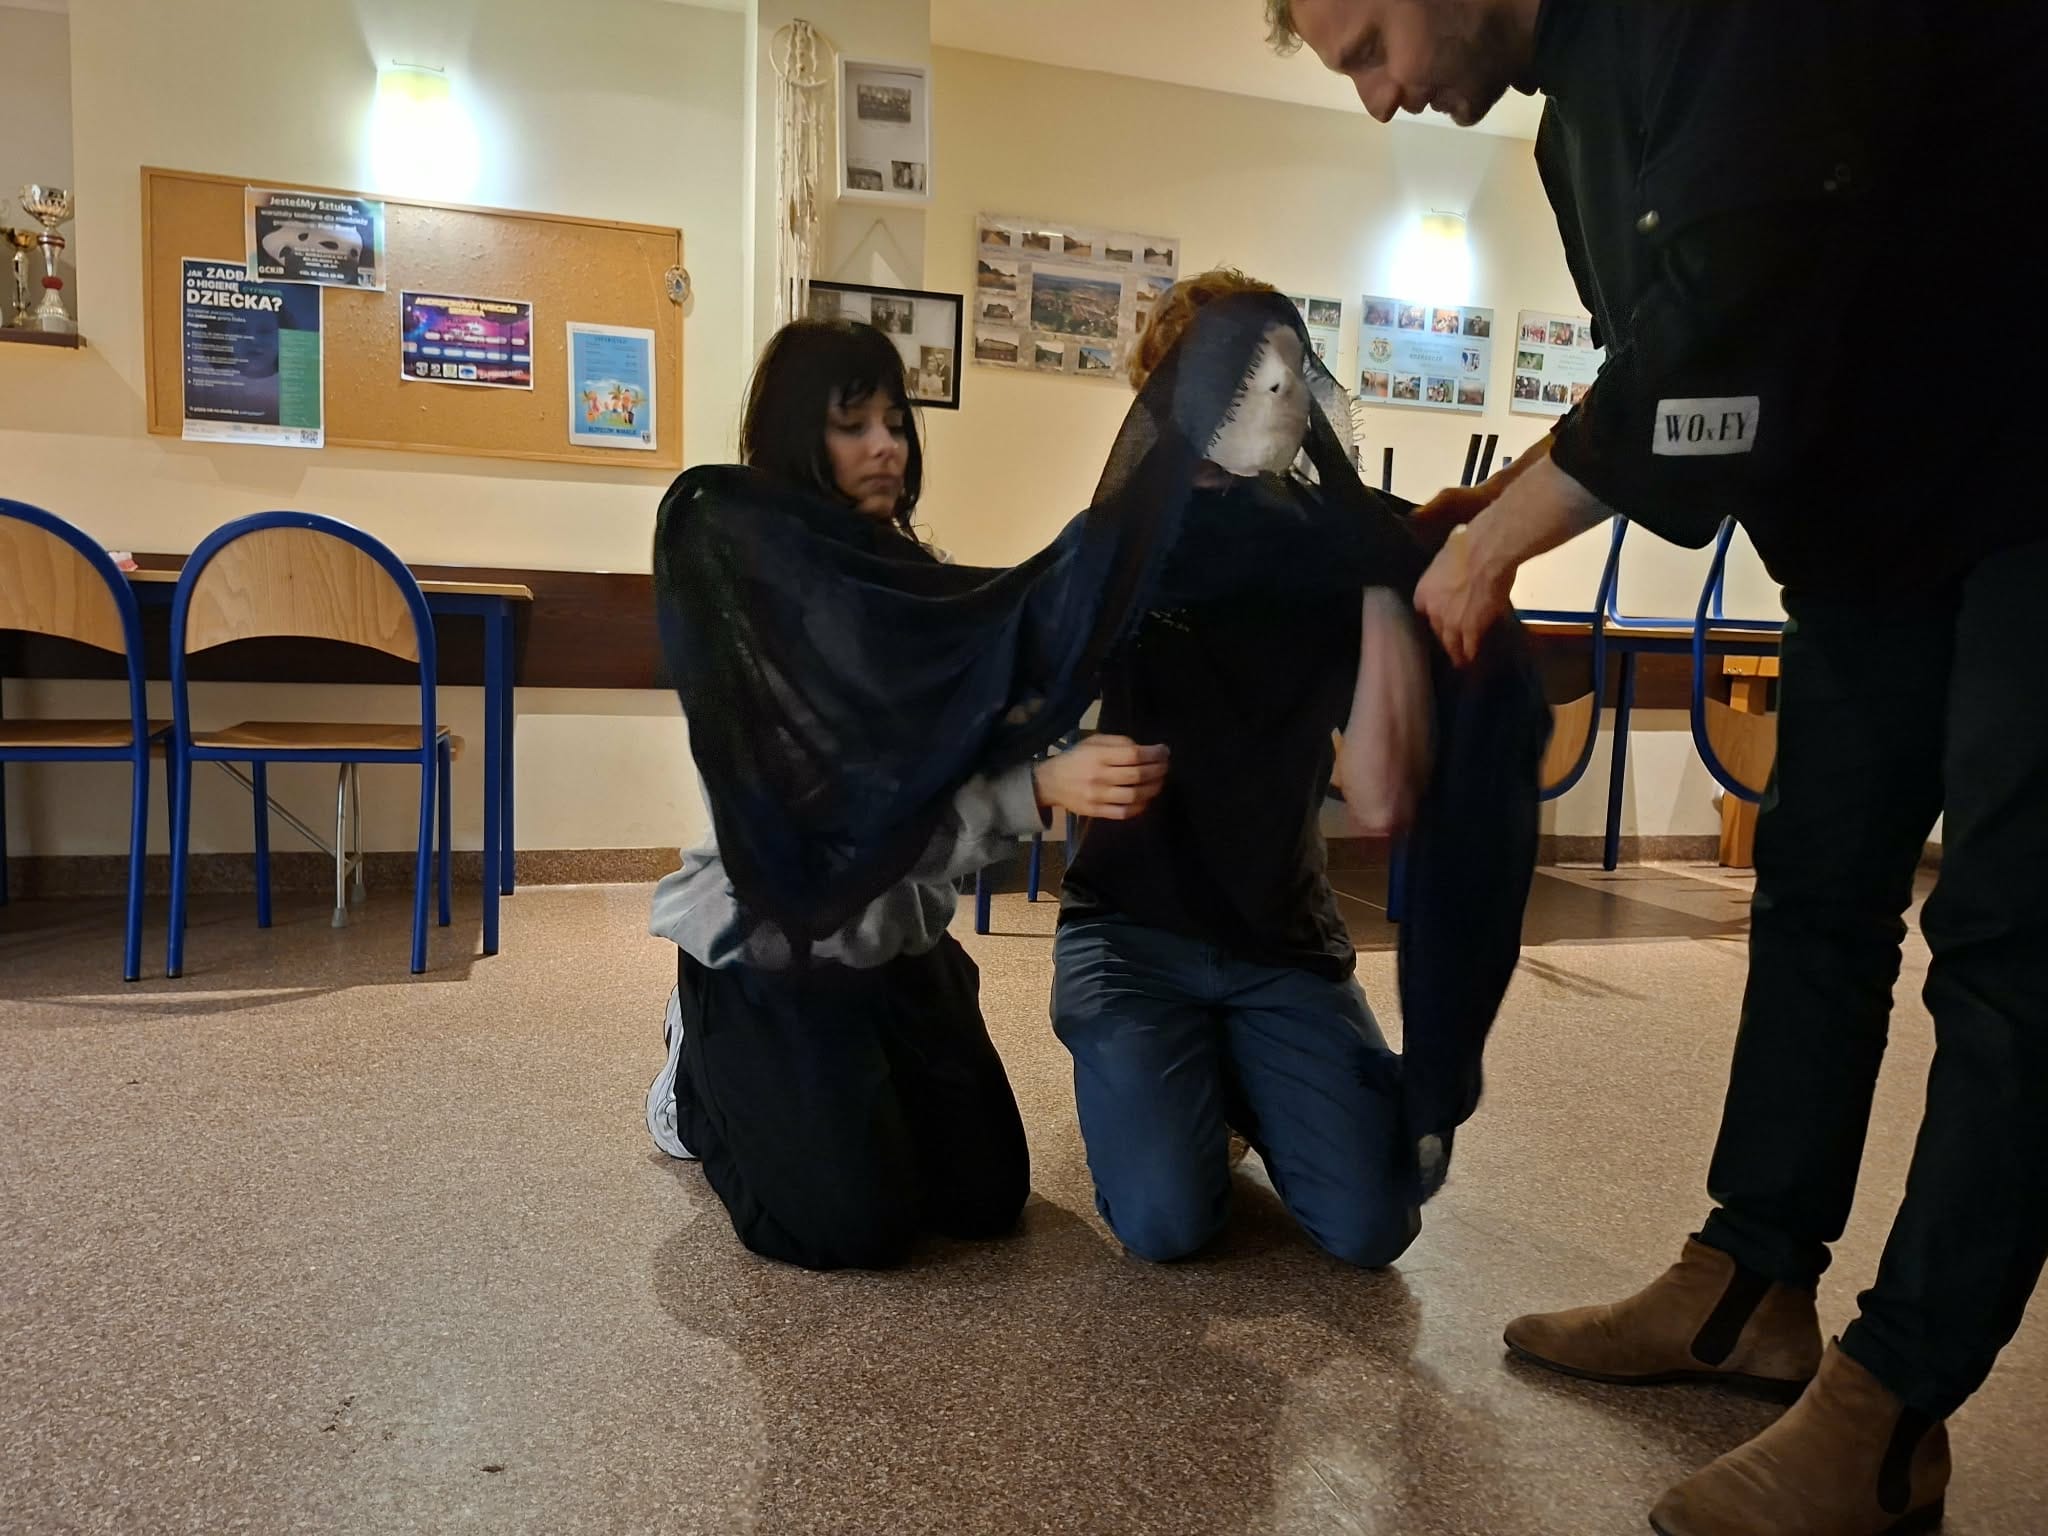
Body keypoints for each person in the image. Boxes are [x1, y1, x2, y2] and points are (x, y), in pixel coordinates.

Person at [1271, 3, 2045, 1533]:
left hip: (2031, 475)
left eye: (1366, 45)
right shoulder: (1580, 126)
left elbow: (1732, 334)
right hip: (1874, 534)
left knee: (2012, 945)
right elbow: (1672, 359)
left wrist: (1501, 542)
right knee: (1817, 896)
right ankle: (1749, 1284)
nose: (1376, 98)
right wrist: (1515, 490)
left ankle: (1895, 1407)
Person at [642, 318, 1170, 1272]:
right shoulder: (755, 583)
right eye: (852, 425)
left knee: (983, 1199)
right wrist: (1037, 787)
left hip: (893, 943)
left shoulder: (908, 583)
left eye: (895, 422)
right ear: (794, 433)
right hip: (776, 946)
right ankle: (697, 1078)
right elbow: (838, 819)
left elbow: (997, 687)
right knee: (849, 1230)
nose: (886, 446)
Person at [1051, 269, 1426, 1268]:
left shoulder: (1321, 553)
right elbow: (1011, 700)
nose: (1273, 395)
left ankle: (1244, 1076)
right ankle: (1189, 1081)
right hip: (1131, 932)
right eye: (1239, 371)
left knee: (1375, 1223)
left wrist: (1383, 583)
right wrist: (1055, 769)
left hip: (1280, 939)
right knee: (1167, 1223)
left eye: (1289, 372)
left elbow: (1376, 789)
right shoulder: (1117, 541)